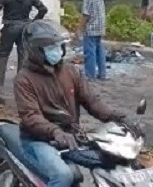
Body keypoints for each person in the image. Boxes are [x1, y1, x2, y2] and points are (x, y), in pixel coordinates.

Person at [14, 19, 128, 187]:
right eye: (51, 48)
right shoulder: (24, 79)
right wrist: (55, 132)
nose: (58, 51)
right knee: (64, 176)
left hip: (72, 137)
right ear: (36, 50)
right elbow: (31, 116)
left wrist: (115, 116)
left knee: (113, 161)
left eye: (59, 47)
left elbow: (91, 100)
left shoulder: (70, 71)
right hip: (39, 140)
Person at [0, 0, 48, 91]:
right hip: (25, 27)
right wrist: (34, 22)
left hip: (9, 28)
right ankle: (21, 84)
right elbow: (43, 9)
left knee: (3, 54)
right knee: (23, 55)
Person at [77, 0, 107, 80]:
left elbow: (86, 14)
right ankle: (102, 73)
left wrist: (80, 29)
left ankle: (90, 75)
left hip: (91, 27)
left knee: (89, 52)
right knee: (100, 51)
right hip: (100, 26)